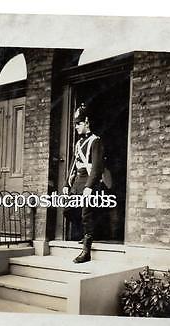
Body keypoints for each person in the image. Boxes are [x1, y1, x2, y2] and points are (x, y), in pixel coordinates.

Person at [62, 103, 104, 263]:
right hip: (78, 181)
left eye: (78, 124)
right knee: (68, 210)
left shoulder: (96, 141)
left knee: (86, 213)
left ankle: (86, 250)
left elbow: (97, 167)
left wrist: (89, 186)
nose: (76, 127)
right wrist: (67, 183)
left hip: (89, 181)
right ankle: (87, 233)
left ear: (86, 122)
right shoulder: (79, 144)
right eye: (74, 124)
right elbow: (73, 164)